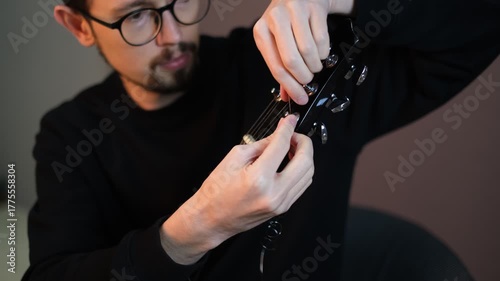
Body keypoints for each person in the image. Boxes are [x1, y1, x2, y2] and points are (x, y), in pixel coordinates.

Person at [21, 0, 499, 281]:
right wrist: (195, 230)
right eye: (137, 16)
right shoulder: (70, 134)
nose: (172, 34)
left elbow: (484, 19)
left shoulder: (299, 66)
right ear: (79, 25)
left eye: (180, 0)